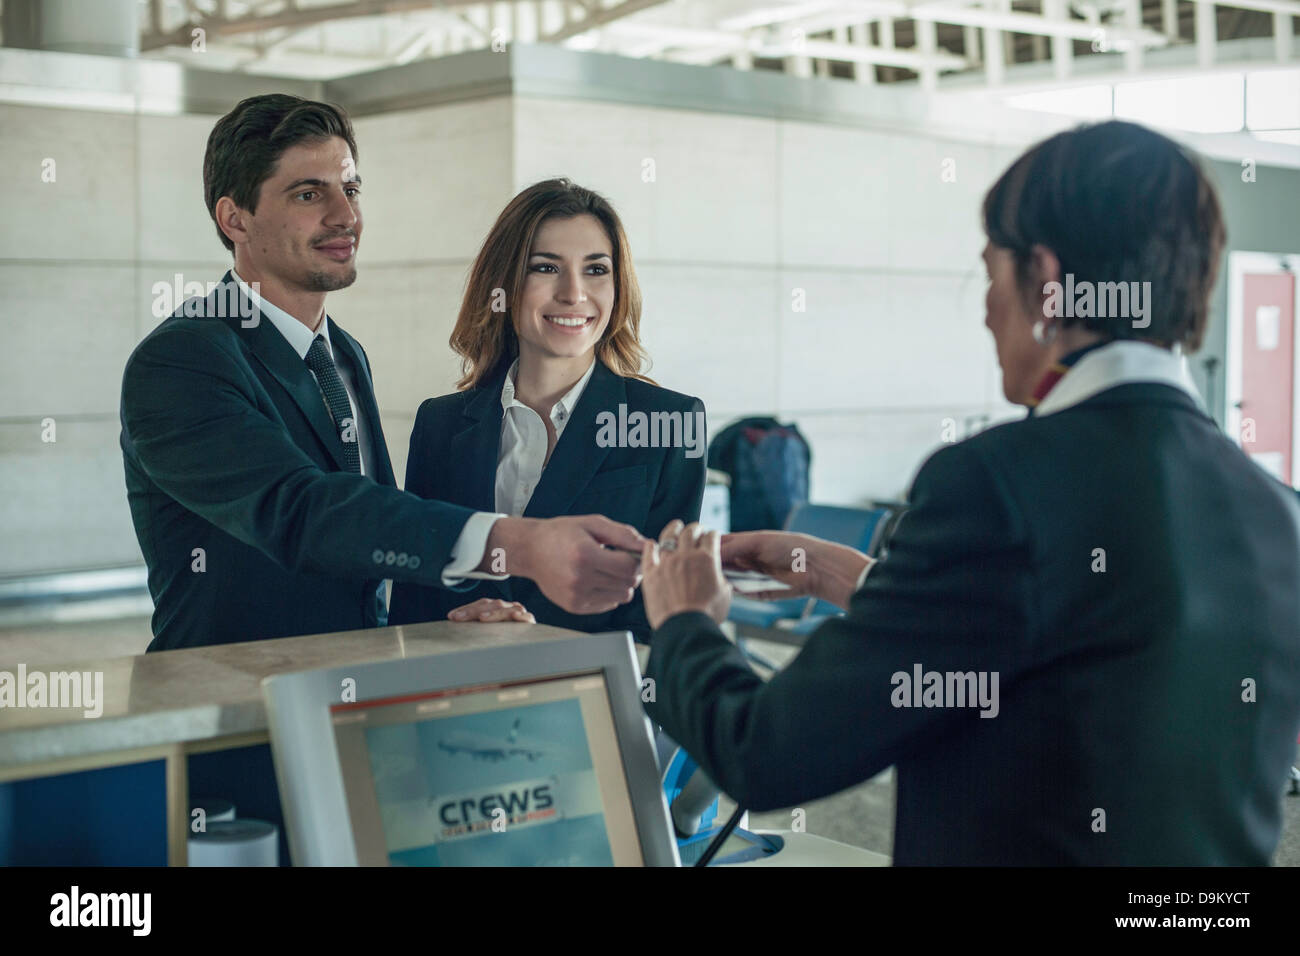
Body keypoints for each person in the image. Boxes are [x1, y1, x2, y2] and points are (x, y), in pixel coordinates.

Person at [637, 120, 1300, 865]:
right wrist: (844, 578)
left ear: (1046, 281)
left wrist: (685, 620)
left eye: (989, 274)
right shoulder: (1277, 512)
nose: (986, 308)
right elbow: (1069, 661)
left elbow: (766, 752)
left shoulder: (996, 483)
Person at [120, 95, 645, 652]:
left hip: (350, 704)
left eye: (349, 190)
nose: (344, 216)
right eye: (308, 193)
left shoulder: (344, 355)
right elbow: (301, 511)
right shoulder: (182, 361)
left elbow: (366, 541)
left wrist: (451, 613)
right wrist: (517, 544)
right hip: (235, 713)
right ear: (236, 218)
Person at [389, 180, 706, 641]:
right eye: (545, 268)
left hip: (597, 697)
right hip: (458, 688)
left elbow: (665, 614)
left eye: (596, 269)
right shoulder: (440, 424)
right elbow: (415, 596)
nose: (574, 293)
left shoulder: (668, 424)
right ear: (504, 284)